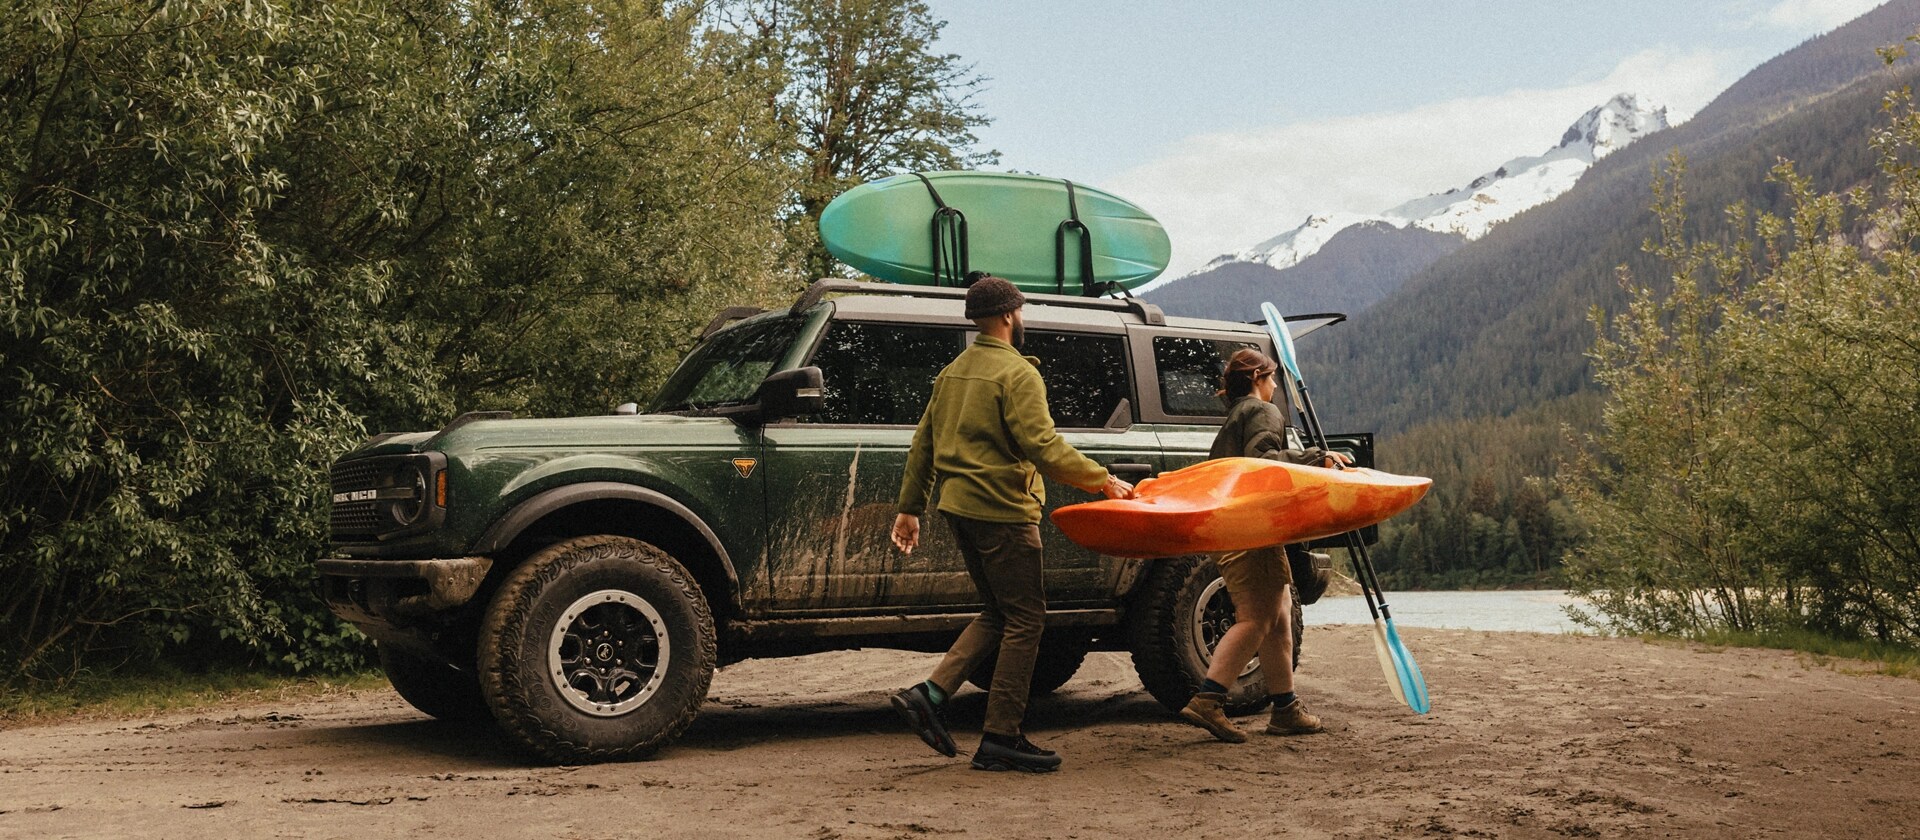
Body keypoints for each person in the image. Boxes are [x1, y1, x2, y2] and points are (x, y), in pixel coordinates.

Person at [888, 273, 1135, 773]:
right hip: (1003, 512)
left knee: (1002, 610)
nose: (1022, 319)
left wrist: (910, 508)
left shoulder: (953, 372)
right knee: (1027, 619)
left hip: (959, 509)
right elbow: (1044, 447)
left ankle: (931, 694)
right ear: (1008, 315)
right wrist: (1102, 480)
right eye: (1020, 311)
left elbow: (923, 445)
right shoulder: (1018, 374)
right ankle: (1002, 735)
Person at [1179, 348, 1345, 742]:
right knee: (1257, 617)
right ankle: (1209, 699)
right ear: (1257, 377)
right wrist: (1316, 458)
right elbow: (1263, 462)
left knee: (1279, 612)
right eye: (1271, 379)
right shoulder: (1261, 411)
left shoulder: (1235, 414)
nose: (1274, 387)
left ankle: (1285, 708)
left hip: (1235, 528)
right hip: (1251, 529)